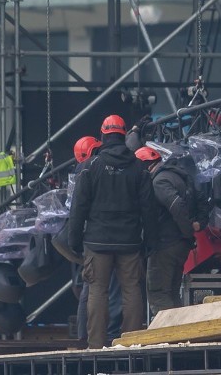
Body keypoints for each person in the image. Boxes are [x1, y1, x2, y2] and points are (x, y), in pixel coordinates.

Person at [68, 115, 158, 348]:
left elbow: (79, 207)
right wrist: (150, 241)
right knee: (131, 290)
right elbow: (149, 209)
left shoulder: (90, 167)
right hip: (130, 242)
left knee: (97, 291)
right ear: (123, 134)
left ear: (103, 136)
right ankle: (131, 344)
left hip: (97, 243)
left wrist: (74, 240)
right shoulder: (140, 169)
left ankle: (96, 345)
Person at [135, 146, 209, 315]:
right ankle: (179, 334)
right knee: (172, 292)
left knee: (158, 293)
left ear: (146, 166)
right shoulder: (181, 176)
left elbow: (176, 205)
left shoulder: (159, 181)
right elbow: (202, 200)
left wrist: (187, 231)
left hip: (165, 243)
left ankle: (168, 335)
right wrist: (199, 224)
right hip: (180, 245)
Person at [70, 136, 123, 345]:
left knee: (90, 289)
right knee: (110, 288)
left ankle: (86, 337)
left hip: (89, 242)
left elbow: (76, 212)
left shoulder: (82, 173)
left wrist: (75, 243)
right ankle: (110, 335)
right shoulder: (93, 172)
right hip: (103, 240)